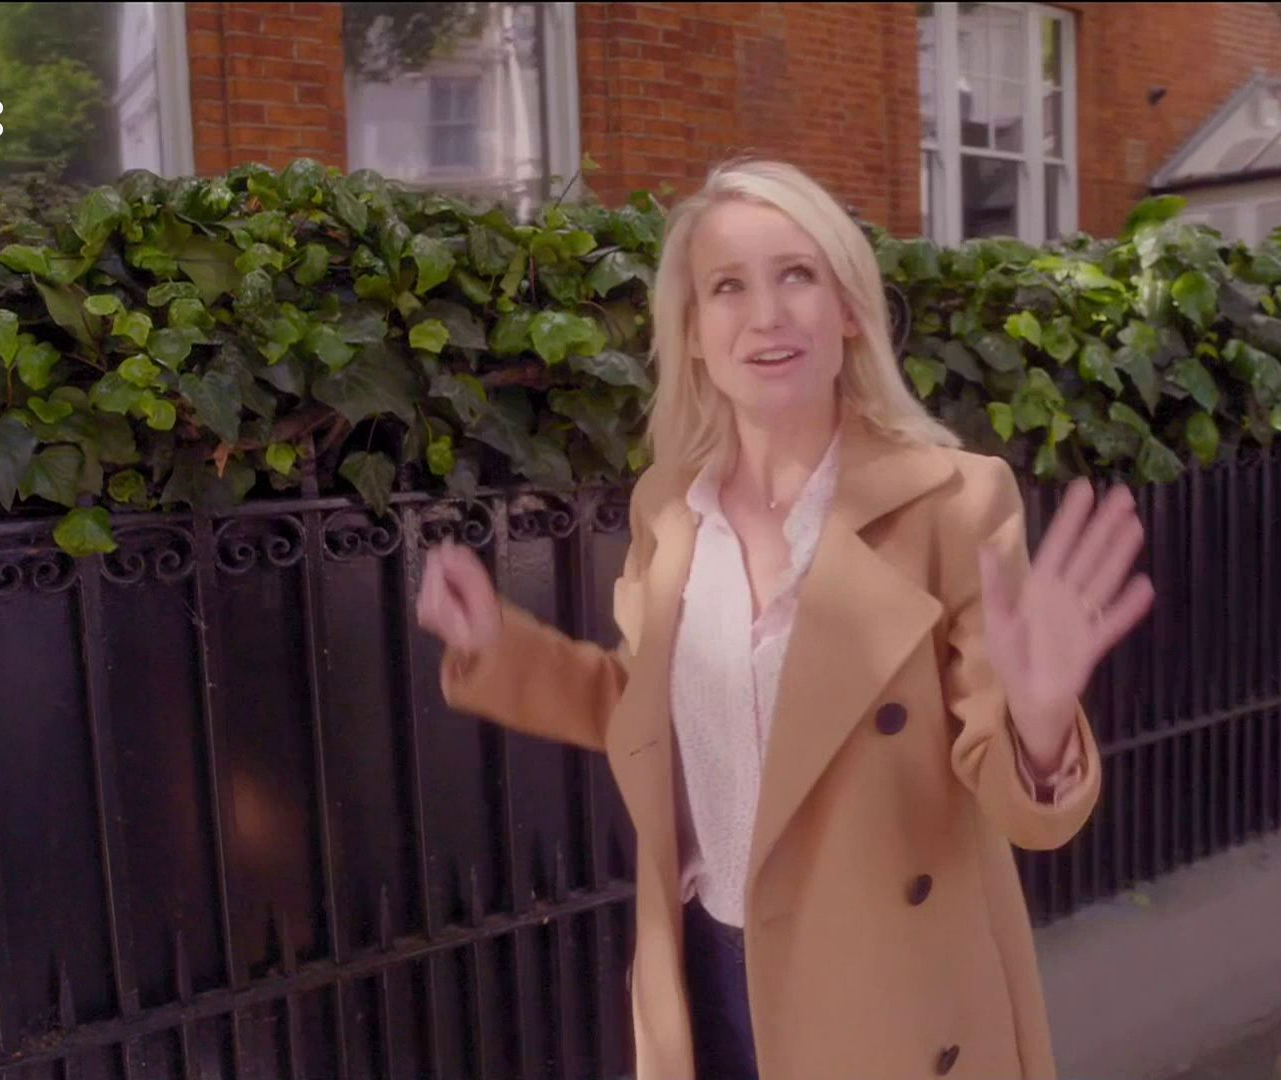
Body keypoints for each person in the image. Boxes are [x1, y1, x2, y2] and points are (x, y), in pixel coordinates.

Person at [415, 159, 1153, 1079]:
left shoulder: (954, 503)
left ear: (848, 310)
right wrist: (498, 649)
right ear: (692, 332)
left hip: (886, 998)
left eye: (797, 274)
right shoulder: (669, 508)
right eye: (728, 286)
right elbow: (642, 707)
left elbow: (1027, 813)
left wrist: (1039, 728)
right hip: (706, 978)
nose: (766, 314)